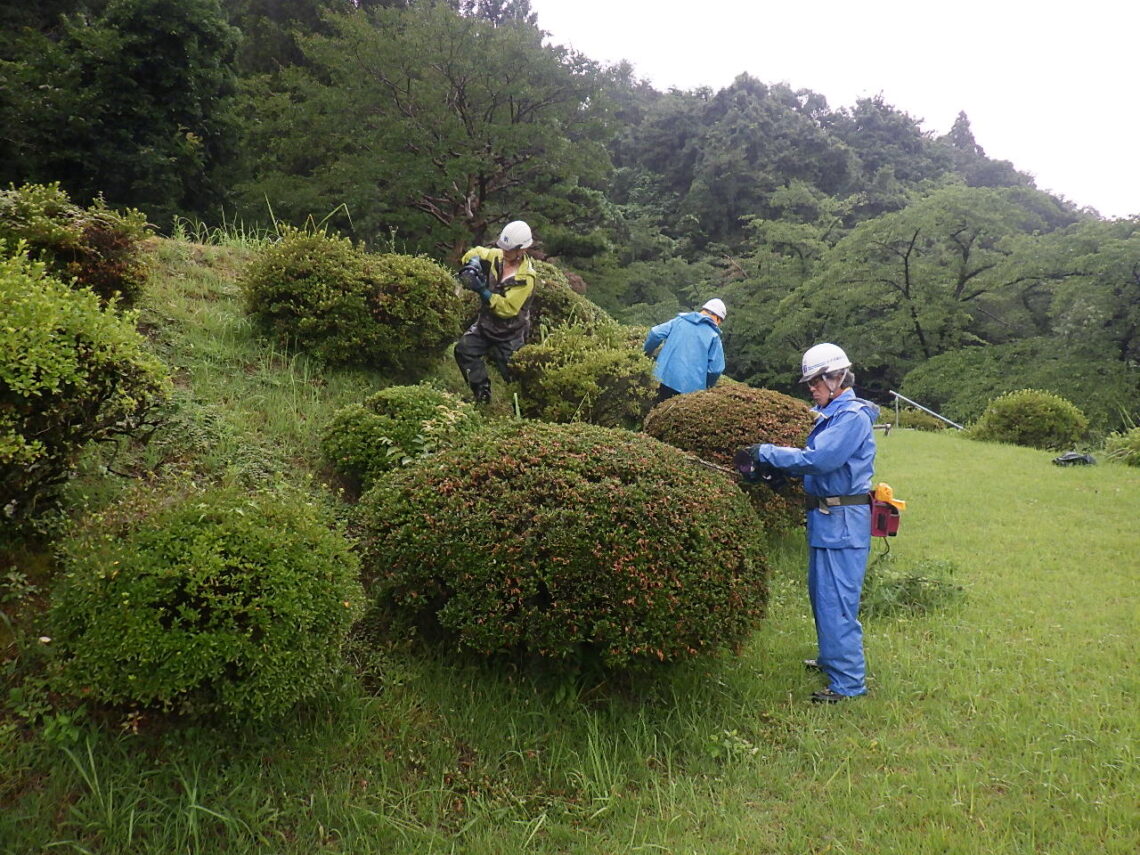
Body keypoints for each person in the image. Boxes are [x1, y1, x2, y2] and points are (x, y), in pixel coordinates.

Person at [747, 343, 880, 703]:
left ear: (837, 377)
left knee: (837, 601)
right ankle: (831, 660)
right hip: (827, 521)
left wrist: (767, 452)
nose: (812, 388)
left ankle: (849, 684)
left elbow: (822, 459)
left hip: (842, 523)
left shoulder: (851, 416)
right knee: (823, 596)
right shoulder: (832, 414)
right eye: (810, 382)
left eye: (817, 380)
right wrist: (781, 475)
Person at [453, 220, 539, 404]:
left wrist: (482, 291)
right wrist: (473, 264)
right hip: (485, 325)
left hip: (510, 334)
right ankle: (482, 394)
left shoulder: (526, 278)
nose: (505, 252)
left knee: (514, 376)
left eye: (509, 250)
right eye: (504, 248)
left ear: (522, 250)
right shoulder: (497, 256)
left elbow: (507, 309)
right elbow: (476, 252)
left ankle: (526, 410)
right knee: (464, 350)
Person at [642, 298, 727, 404]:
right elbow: (715, 370)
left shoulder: (679, 321)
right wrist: (707, 386)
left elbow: (655, 333)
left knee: (654, 413)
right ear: (718, 319)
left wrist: (644, 354)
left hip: (661, 377)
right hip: (690, 391)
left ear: (703, 310)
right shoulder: (713, 336)